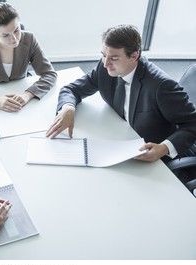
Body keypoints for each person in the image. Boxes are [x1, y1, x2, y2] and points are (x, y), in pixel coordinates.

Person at [46, 24, 196, 163]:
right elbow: (72, 89)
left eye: (114, 58)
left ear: (134, 56)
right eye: (103, 55)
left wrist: (163, 148)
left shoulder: (162, 86)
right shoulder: (105, 68)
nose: (105, 63)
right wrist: (68, 108)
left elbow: (192, 123)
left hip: (155, 155)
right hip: (121, 142)